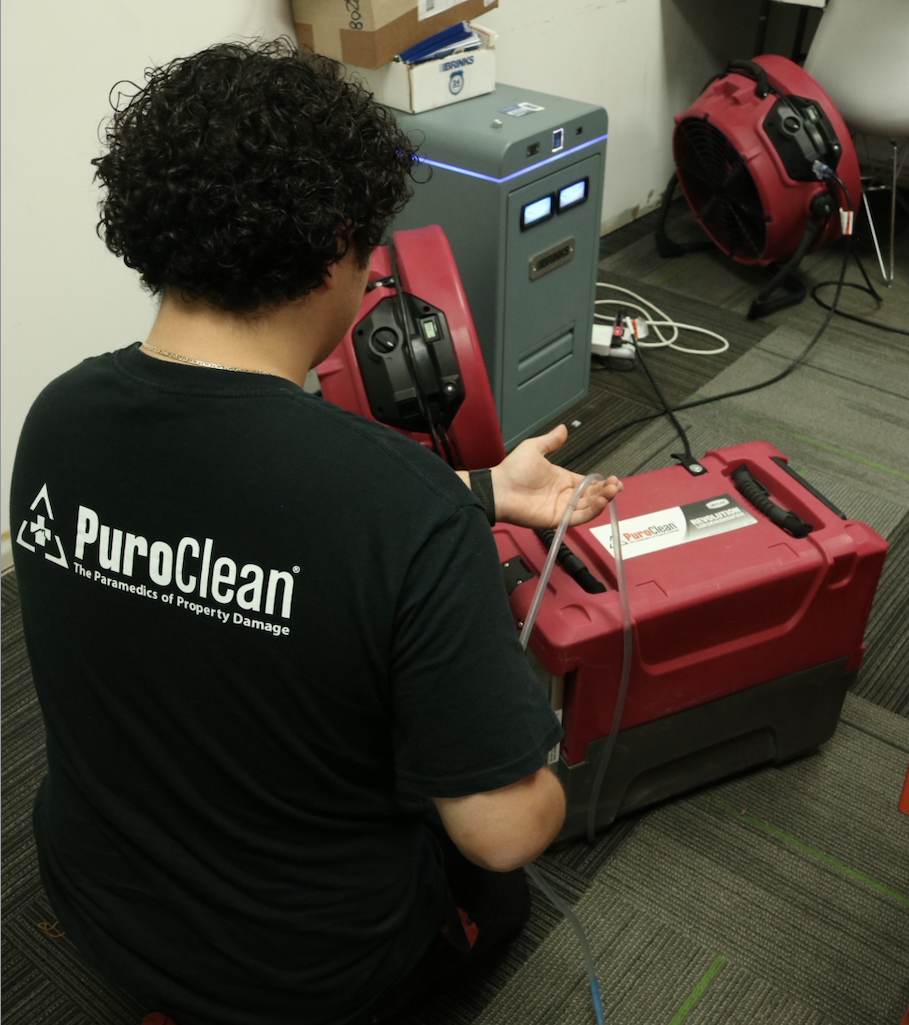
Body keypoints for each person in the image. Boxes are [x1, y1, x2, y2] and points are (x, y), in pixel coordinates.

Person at [10, 39, 621, 1025]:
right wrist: (538, 756)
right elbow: (504, 831)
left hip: (95, 899)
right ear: (340, 242)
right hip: (301, 973)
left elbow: (237, 516)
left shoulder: (58, 417)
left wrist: (479, 490)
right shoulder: (401, 508)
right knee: (498, 887)